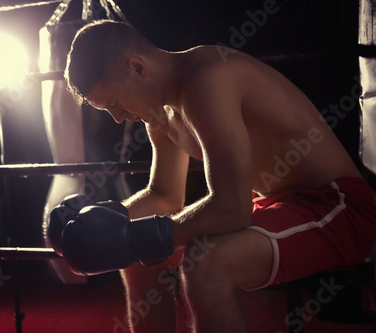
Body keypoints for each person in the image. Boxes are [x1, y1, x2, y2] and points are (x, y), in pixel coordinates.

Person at [49, 20, 376, 333]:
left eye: (115, 103)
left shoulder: (208, 80)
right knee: (138, 258)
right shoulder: (159, 114)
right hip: (275, 206)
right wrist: (105, 219)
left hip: (339, 208)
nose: (118, 118)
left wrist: (129, 235)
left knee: (205, 266)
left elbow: (231, 208)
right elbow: (164, 195)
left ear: (137, 67)